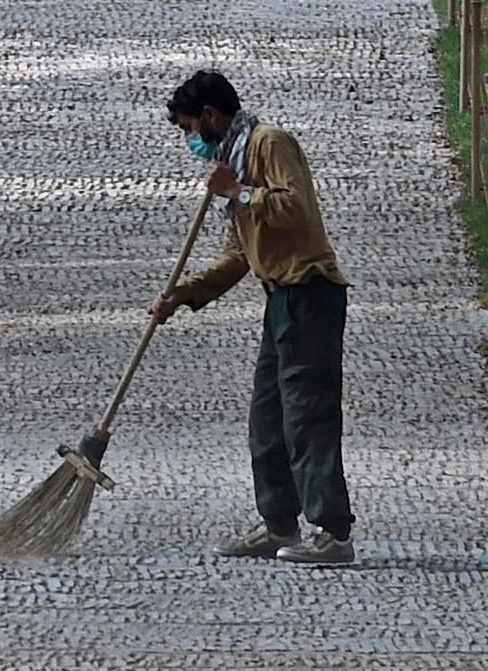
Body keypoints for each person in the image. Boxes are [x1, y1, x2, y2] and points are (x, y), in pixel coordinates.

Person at [148, 67, 352, 565]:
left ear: (212, 116)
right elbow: (237, 255)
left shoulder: (269, 143)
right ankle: (279, 524)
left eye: (190, 129)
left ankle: (332, 533)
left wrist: (238, 191)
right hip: (279, 299)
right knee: (268, 418)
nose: (191, 141)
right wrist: (183, 294)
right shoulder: (232, 160)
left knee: (307, 417)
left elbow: (295, 208)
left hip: (311, 294)